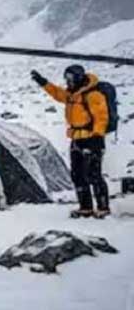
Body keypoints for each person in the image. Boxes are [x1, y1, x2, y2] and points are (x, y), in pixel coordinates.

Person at [31, 65, 110, 218]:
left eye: (71, 78)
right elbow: (58, 94)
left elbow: (102, 117)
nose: (68, 81)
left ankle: (103, 208)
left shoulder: (93, 95)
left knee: (94, 175)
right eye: (66, 78)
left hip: (92, 139)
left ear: (79, 77)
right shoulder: (72, 95)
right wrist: (43, 82)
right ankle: (85, 207)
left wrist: (97, 138)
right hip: (76, 140)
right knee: (77, 175)